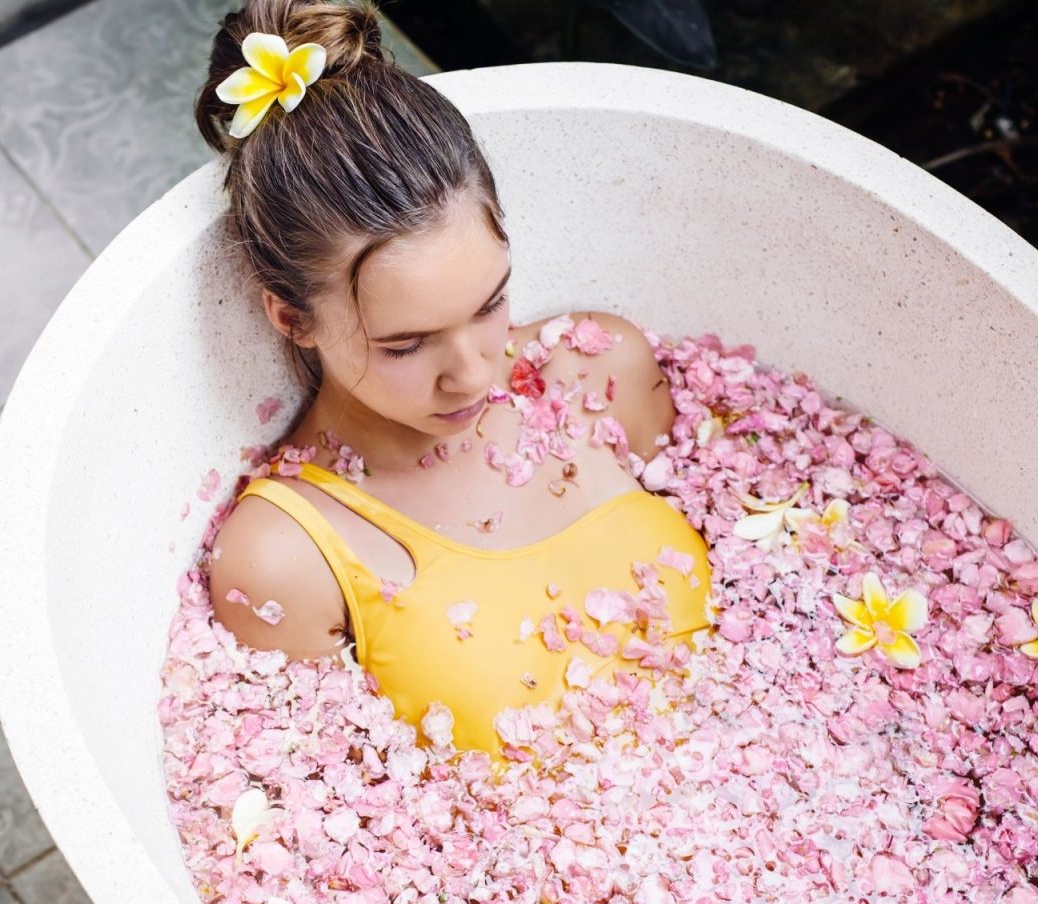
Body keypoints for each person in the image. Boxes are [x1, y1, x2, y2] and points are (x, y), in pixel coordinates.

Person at [195, 0, 713, 767]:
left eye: (490, 303)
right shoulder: (287, 558)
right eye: (406, 345)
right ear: (293, 318)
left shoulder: (599, 367)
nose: (474, 374)